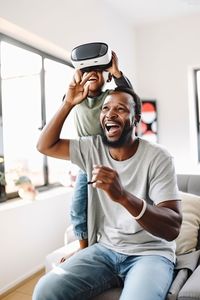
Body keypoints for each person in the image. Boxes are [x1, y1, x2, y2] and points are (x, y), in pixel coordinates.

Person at [33, 76, 182, 300]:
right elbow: (45, 145)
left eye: (120, 109)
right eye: (105, 109)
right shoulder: (91, 147)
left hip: (150, 253)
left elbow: (172, 227)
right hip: (104, 250)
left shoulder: (158, 157)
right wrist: (68, 104)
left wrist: (123, 196)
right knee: (46, 289)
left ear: (137, 120)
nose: (110, 114)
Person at [67, 50, 133, 252]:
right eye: (87, 70)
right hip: (86, 161)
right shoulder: (76, 98)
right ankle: (83, 248)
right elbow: (66, 101)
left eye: (98, 70)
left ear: (107, 77)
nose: (92, 73)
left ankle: (116, 241)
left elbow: (129, 94)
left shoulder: (109, 97)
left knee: (113, 206)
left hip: (109, 157)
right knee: (78, 208)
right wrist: (77, 76)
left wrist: (116, 71)